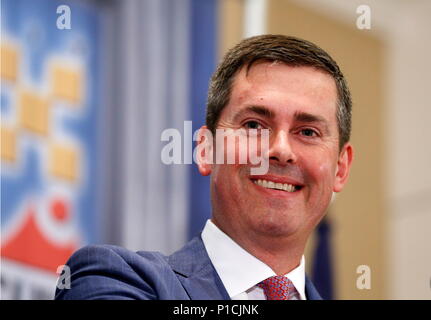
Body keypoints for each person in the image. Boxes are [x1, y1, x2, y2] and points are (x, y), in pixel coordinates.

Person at [55, 34, 353, 300]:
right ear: (206, 150)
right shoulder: (113, 280)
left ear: (340, 168)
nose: (281, 151)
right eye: (253, 125)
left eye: (308, 132)